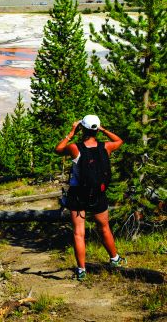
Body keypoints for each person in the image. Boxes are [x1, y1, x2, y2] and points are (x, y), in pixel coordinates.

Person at [55, 115, 126, 281]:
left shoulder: (75, 148)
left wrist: (71, 132)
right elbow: (120, 141)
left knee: (79, 233)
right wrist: (103, 130)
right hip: (98, 194)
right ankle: (114, 259)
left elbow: (58, 149)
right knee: (104, 227)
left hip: (78, 194)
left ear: (83, 129)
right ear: (96, 129)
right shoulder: (106, 147)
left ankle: (81, 270)